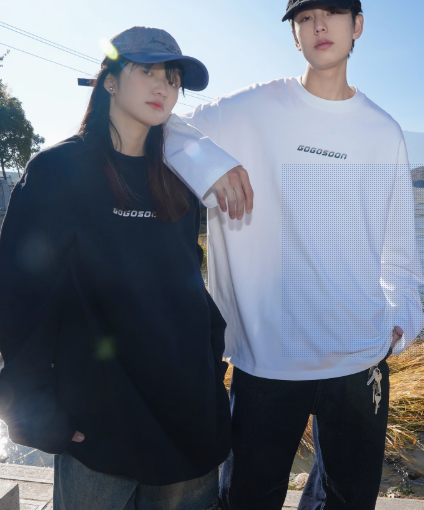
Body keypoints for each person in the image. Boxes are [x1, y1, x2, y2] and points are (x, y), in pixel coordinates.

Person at [164, 1, 424, 509]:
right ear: (294, 35)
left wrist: (403, 318)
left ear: (358, 26)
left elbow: (397, 244)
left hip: (359, 360)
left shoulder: (382, 131)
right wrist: (211, 164)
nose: (319, 24)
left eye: (334, 12)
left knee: (349, 500)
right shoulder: (249, 109)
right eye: (305, 17)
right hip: (267, 359)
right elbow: (165, 126)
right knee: (247, 499)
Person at [0, 27, 253, 510]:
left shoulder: (179, 179)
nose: (164, 86)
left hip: (187, 425)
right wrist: (35, 413)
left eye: (173, 78)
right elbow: (19, 300)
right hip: (96, 431)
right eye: (148, 71)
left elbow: (188, 287)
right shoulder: (58, 171)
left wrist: (210, 370)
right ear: (110, 82)